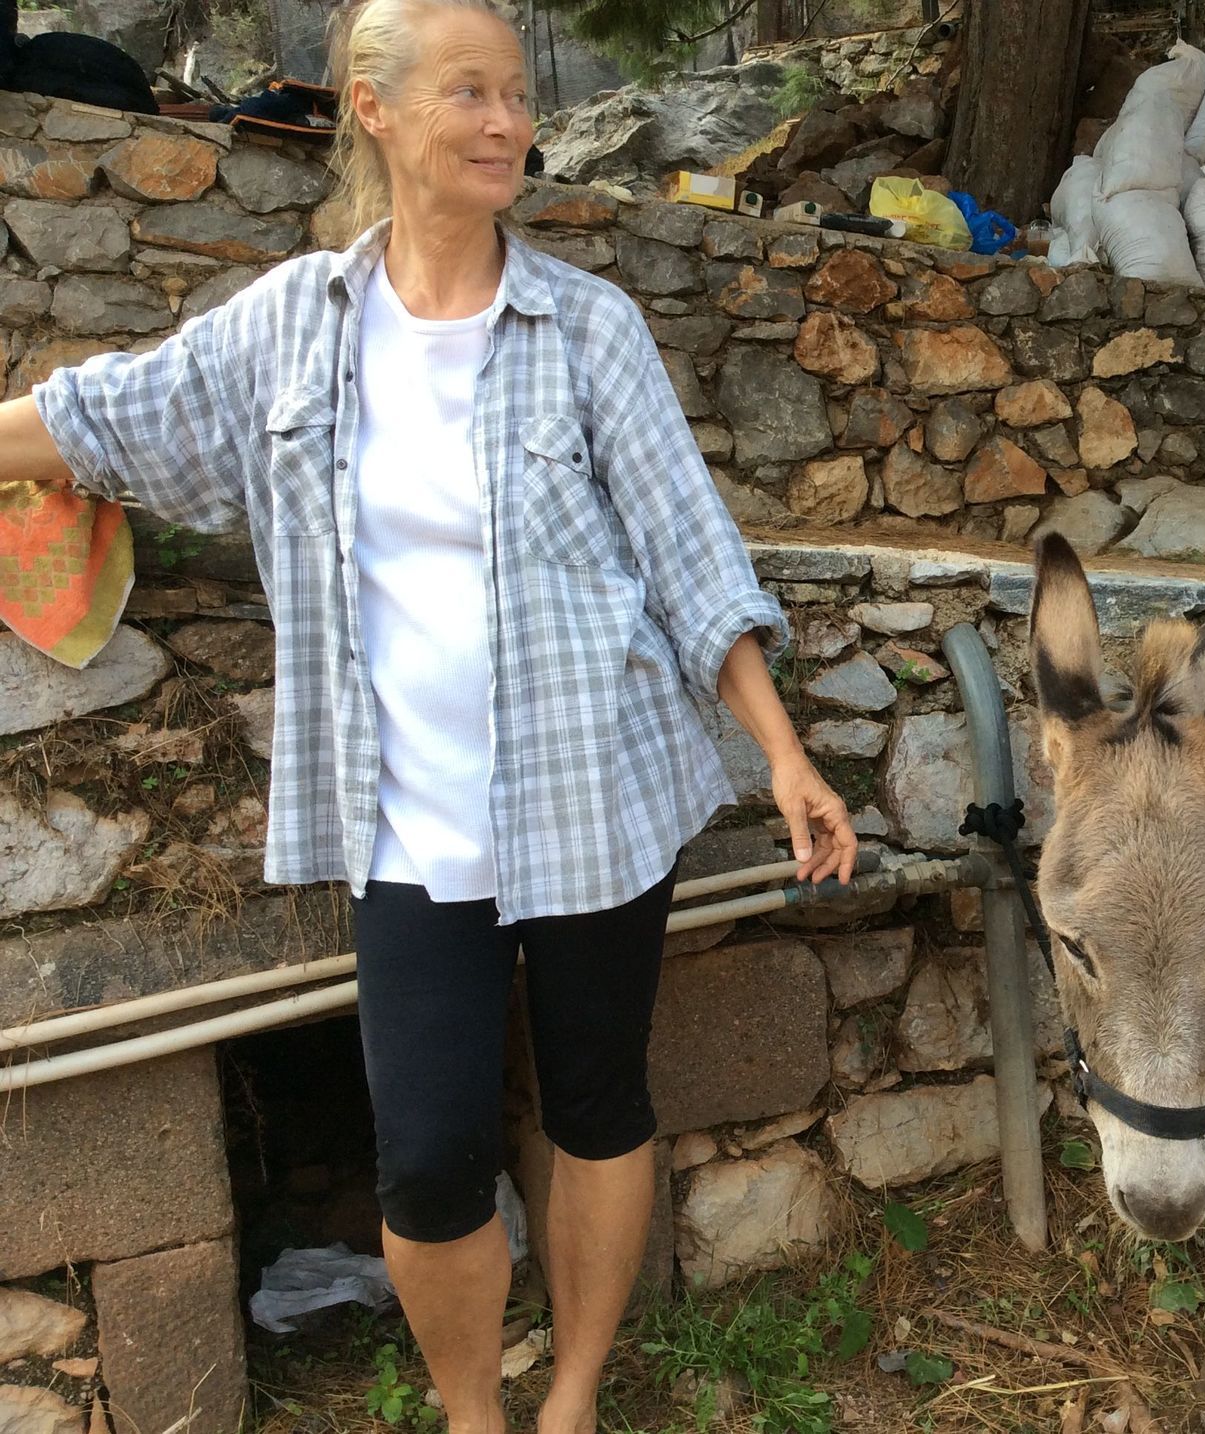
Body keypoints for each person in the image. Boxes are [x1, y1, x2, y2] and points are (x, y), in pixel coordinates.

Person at [0, 1, 857, 1429]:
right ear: (375, 108)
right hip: (403, 823)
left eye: (517, 94)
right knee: (429, 1161)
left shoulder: (589, 329)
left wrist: (782, 753)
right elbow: (107, 415)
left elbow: (692, 559)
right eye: (470, 92)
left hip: (595, 794)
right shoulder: (294, 326)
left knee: (596, 1105)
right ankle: (473, 1413)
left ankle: (570, 1395)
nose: (507, 121)